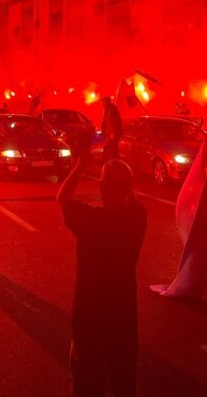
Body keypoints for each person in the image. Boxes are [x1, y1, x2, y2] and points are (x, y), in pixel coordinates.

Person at [57, 157, 147, 397]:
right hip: (123, 315)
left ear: (101, 187)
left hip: (89, 316)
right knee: (123, 381)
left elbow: (62, 198)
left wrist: (80, 163)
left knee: (87, 382)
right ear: (129, 188)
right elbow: (132, 199)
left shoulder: (90, 220)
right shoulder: (138, 216)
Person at [100, 97, 123, 161]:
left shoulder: (113, 110)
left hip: (113, 134)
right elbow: (105, 122)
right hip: (109, 134)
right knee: (108, 148)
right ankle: (105, 161)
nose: (102, 103)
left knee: (113, 149)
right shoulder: (107, 110)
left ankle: (115, 162)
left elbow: (117, 122)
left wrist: (114, 133)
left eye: (103, 102)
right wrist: (104, 131)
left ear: (107, 102)